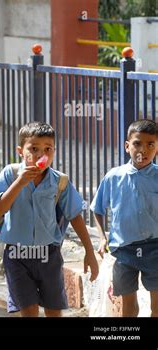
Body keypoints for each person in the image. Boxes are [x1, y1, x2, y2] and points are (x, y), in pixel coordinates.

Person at [0, 121, 99, 317]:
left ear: (54, 151)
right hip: (17, 255)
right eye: (33, 149)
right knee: (29, 311)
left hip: (48, 254)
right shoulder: (10, 173)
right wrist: (19, 182)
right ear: (20, 151)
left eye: (48, 149)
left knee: (54, 312)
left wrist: (89, 252)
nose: (41, 155)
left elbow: (75, 216)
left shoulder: (60, 181)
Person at [91, 119, 158, 317]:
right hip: (123, 251)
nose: (143, 150)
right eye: (137, 143)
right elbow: (97, 209)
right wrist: (102, 238)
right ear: (127, 146)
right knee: (128, 307)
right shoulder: (113, 177)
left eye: (150, 145)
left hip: (155, 248)